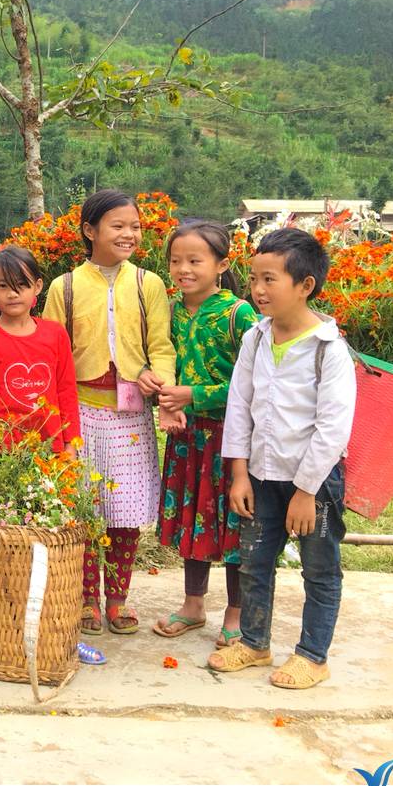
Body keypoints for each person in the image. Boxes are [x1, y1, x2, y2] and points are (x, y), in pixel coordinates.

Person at [209, 228, 356, 690]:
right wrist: (238, 473)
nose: (257, 289)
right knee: (253, 561)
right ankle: (254, 643)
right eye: (254, 279)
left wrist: (307, 491)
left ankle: (313, 655)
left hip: (314, 482)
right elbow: (239, 406)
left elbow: (333, 427)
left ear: (305, 285)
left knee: (319, 565)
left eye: (269, 279)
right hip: (260, 473)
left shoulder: (329, 350)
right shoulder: (256, 339)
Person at [42, 189, 175, 637]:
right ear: (89, 230)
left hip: (131, 416)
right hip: (79, 411)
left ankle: (116, 600)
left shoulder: (148, 284)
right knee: (81, 510)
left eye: (135, 226)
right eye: (118, 225)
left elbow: (161, 345)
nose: (129, 234)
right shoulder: (65, 287)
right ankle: (84, 601)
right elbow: (53, 354)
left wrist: (162, 381)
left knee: (123, 513)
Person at [153, 221, 257, 646]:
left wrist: (192, 394)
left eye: (195, 260)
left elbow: (251, 386)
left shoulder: (239, 314)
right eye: (176, 261)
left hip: (229, 440)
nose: (183, 269)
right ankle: (193, 605)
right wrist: (160, 389)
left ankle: (236, 611)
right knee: (192, 520)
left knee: (231, 523)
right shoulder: (172, 311)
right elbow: (161, 362)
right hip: (186, 436)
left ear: (222, 264)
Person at [0, 245, 79, 450]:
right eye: (3, 286)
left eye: (22, 285)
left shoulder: (56, 334)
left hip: (49, 445)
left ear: (38, 286)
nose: (13, 294)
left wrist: (70, 443)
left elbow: (66, 391)